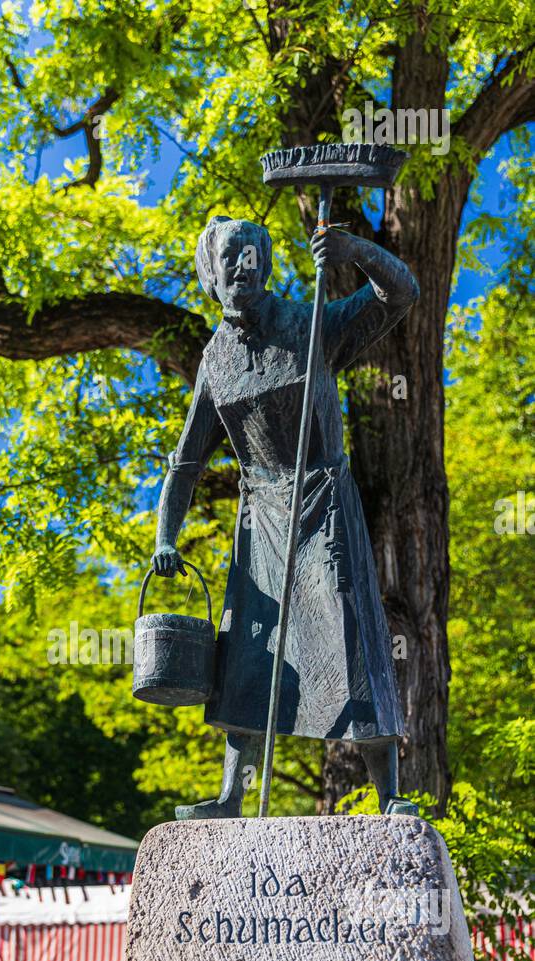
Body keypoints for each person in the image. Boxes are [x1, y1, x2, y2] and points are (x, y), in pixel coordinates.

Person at [152, 215, 419, 818]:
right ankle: (230, 795)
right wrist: (166, 538)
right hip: (261, 518)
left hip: (323, 500)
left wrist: (356, 251)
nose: (243, 265)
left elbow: (400, 294)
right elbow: (187, 462)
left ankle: (390, 794)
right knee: (249, 651)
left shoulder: (310, 323)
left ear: (266, 265)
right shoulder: (215, 360)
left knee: (351, 637)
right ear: (211, 275)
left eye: (253, 254)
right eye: (230, 257)